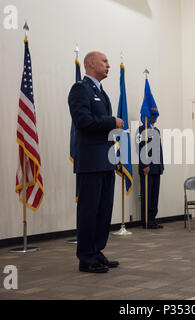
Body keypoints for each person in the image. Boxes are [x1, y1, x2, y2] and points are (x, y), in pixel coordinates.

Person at [68, 51, 124, 273]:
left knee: (103, 210)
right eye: (105, 61)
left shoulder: (102, 93)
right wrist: (112, 121)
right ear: (91, 63)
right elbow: (83, 121)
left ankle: (97, 251)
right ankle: (86, 257)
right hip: (91, 162)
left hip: (105, 160)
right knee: (89, 210)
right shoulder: (80, 89)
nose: (109, 65)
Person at [138, 119, 164, 229]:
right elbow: (140, 148)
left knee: (154, 195)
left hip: (156, 167)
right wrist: (144, 165)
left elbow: (159, 149)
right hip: (147, 168)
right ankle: (146, 221)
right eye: (153, 115)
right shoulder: (141, 130)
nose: (155, 117)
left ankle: (153, 219)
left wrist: (161, 164)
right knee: (146, 195)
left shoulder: (156, 130)